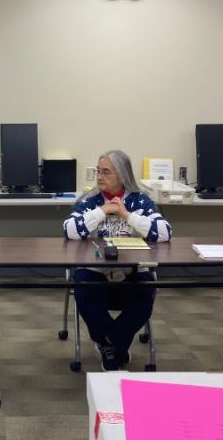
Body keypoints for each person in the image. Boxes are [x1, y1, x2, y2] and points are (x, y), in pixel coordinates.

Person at [62, 150, 171, 371]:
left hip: (130, 273)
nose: (99, 177)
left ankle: (109, 343)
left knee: (147, 290)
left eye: (106, 172)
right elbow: (69, 230)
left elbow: (164, 232)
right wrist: (102, 211)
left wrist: (127, 216)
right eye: (98, 171)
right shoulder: (88, 201)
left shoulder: (140, 201)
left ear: (122, 175)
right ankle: (116, 348)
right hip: (96, 274)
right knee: (82, 285)